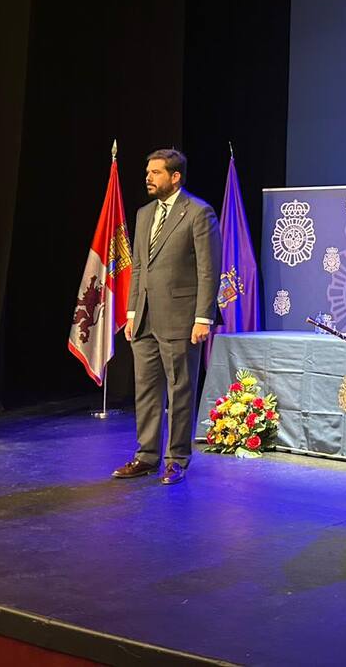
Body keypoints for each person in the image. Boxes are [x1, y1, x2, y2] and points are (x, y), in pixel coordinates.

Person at [114, 149, 221, 486]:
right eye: (148, 172)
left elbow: (208, 270)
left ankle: (176, 459)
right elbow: (139, 267)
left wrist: (203, 317)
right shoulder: (145, 213)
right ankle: (146, 456)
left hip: (181, 318)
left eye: (156, 172)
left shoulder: (199, 212)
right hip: (144, 317)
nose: (148, 178)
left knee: (179, 391)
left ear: (175, 177)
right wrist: (132, 311)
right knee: (146, 390)